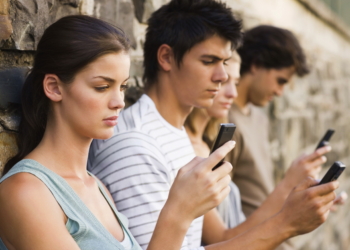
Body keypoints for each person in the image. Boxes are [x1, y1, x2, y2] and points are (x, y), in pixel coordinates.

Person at [88, 0, 339, 249]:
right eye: (209, 61)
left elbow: (216, 239)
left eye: (224, 62)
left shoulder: (175, 133)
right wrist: (285, 224)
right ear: (166, 57)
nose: (221, 77)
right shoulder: (135, 146)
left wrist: (293, 208)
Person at [0, 15, 236, 250]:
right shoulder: (25, 192)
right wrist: (178, 214)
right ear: (54, 87)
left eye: (122, 87)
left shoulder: (97, 186)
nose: (119, 102)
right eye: (102, 87)